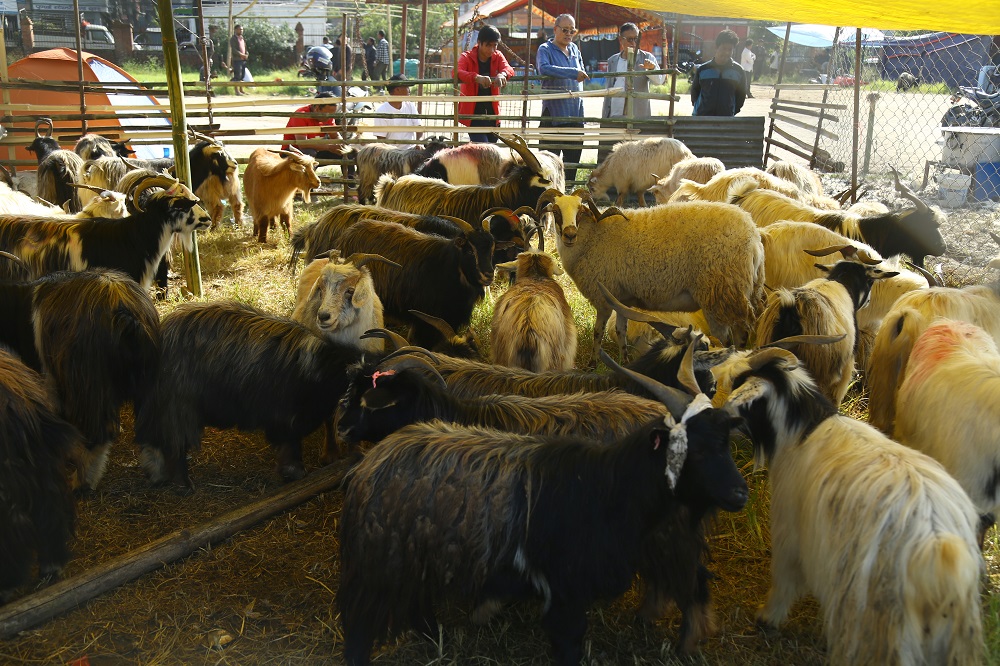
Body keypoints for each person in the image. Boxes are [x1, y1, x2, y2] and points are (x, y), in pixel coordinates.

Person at [598, 22, 665, 164]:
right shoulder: (613, 60)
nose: (633, 43)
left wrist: (650, 69)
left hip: (637, 116)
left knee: (637, 158)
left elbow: (660, 80)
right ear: (620, 39)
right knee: (615, 155)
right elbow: (610, 87)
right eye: (629, 39)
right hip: (615, 115)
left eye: (636, 39)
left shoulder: (647, 58)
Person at [536, 13, 588, 183]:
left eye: (572, 31)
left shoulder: (574, 49)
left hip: (575, 113)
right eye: (565, 30)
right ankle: (547, 198)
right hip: (554, 114)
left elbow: (583, 72)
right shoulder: (545, 49)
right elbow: (544, 69)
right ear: (555, 29)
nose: (568, 34)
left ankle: (569, 196)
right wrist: (573, 73)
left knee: (572, 162)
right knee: (548, 164)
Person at [457, 24, 514, 143]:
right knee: (484, 148)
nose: (492, 50)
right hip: (474, 114)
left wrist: (502, 74)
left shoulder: (497, 56)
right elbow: (456, 72)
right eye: (488, 45)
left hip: (493, 113)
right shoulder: (466, 57)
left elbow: (508, 68)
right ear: (479, 42)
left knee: (491, 150)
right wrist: (476, 77)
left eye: (495, 46)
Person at [690, 29, 745, 117]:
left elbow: (741, 96)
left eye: (730, 49)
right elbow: (694, 92)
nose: (726, 52)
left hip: (726, 120)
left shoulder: (738, 71)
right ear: (716, 47)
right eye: (723, 48)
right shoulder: (702, 70)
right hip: (702, 119)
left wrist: (731, 111)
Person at [282, 93, 342, 158]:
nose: (330, 118)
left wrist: (341, 144)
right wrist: (328, 147)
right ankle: (309, 168)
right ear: (317, 108)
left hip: (317, 150)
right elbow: (302, 144)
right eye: (327, 115)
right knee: (309, 153)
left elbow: (335, 136)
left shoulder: (328, 117)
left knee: (348, 153)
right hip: (293, 151)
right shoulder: (301, 115)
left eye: (332, 115)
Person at [372, 75, 420, 148]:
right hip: (392, 154)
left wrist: (418, 142)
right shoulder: (382, 111)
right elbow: (381, 140)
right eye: (406, 87)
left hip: (411, 151)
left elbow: (419, 126)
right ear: (397, 90)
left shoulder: (410, 105)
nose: (409, 90)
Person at [230, 24, 248, 96]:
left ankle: (241, 90)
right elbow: (234, 50)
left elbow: (245, 48)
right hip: (237, 60)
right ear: (235, 30)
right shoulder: (233, 39)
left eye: (242, 29)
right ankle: (236, 91)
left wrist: (246, 54)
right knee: (237, 75)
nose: (241, 31)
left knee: (242, 75)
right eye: (240, 29)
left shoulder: (242, 38)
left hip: (243, 60)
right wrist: (241, 55)